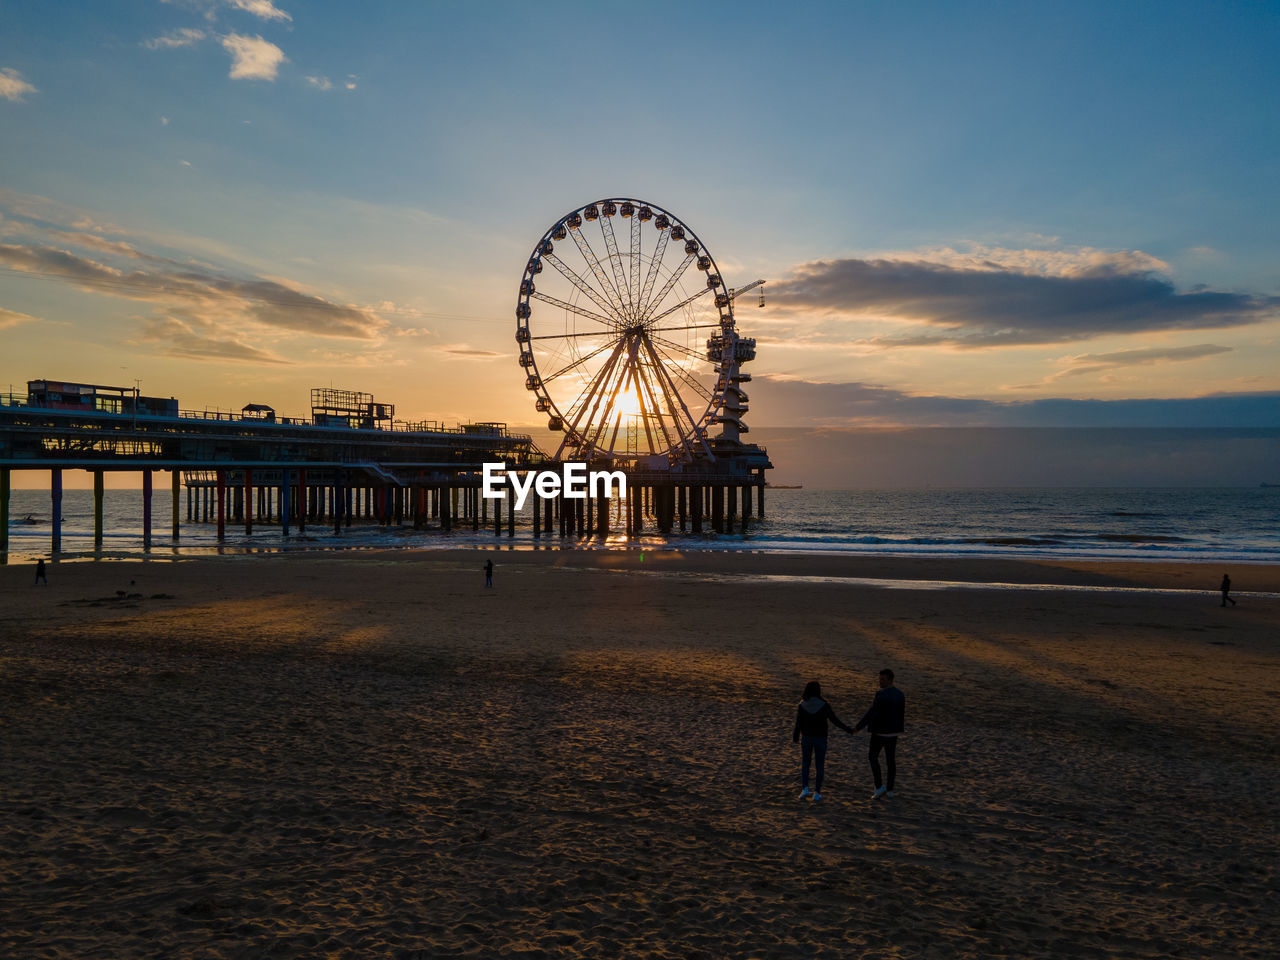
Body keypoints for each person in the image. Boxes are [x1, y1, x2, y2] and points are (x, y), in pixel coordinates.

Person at [791, 680, 852, 801]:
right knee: (819, 765)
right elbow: (835, 720)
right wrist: (848, 729)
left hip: (807, 738)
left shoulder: (802, 705)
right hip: (821, 739)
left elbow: (798, 723)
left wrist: (795, 736)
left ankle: (805, 789)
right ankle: (817, 792)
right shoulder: (824, 705)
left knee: (806, 764)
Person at [853, 668, 905, 800]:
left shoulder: (881, 695)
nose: (880, 682)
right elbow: (900, 715)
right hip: (893, 733)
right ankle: (890, 789)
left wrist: (858, 727)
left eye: (883, 679)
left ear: (890, 680)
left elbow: (872, 713)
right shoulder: (900, 694)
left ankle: (879, 786)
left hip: (880, 732)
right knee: (890, 761)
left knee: (873, 757)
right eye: (880, 679)